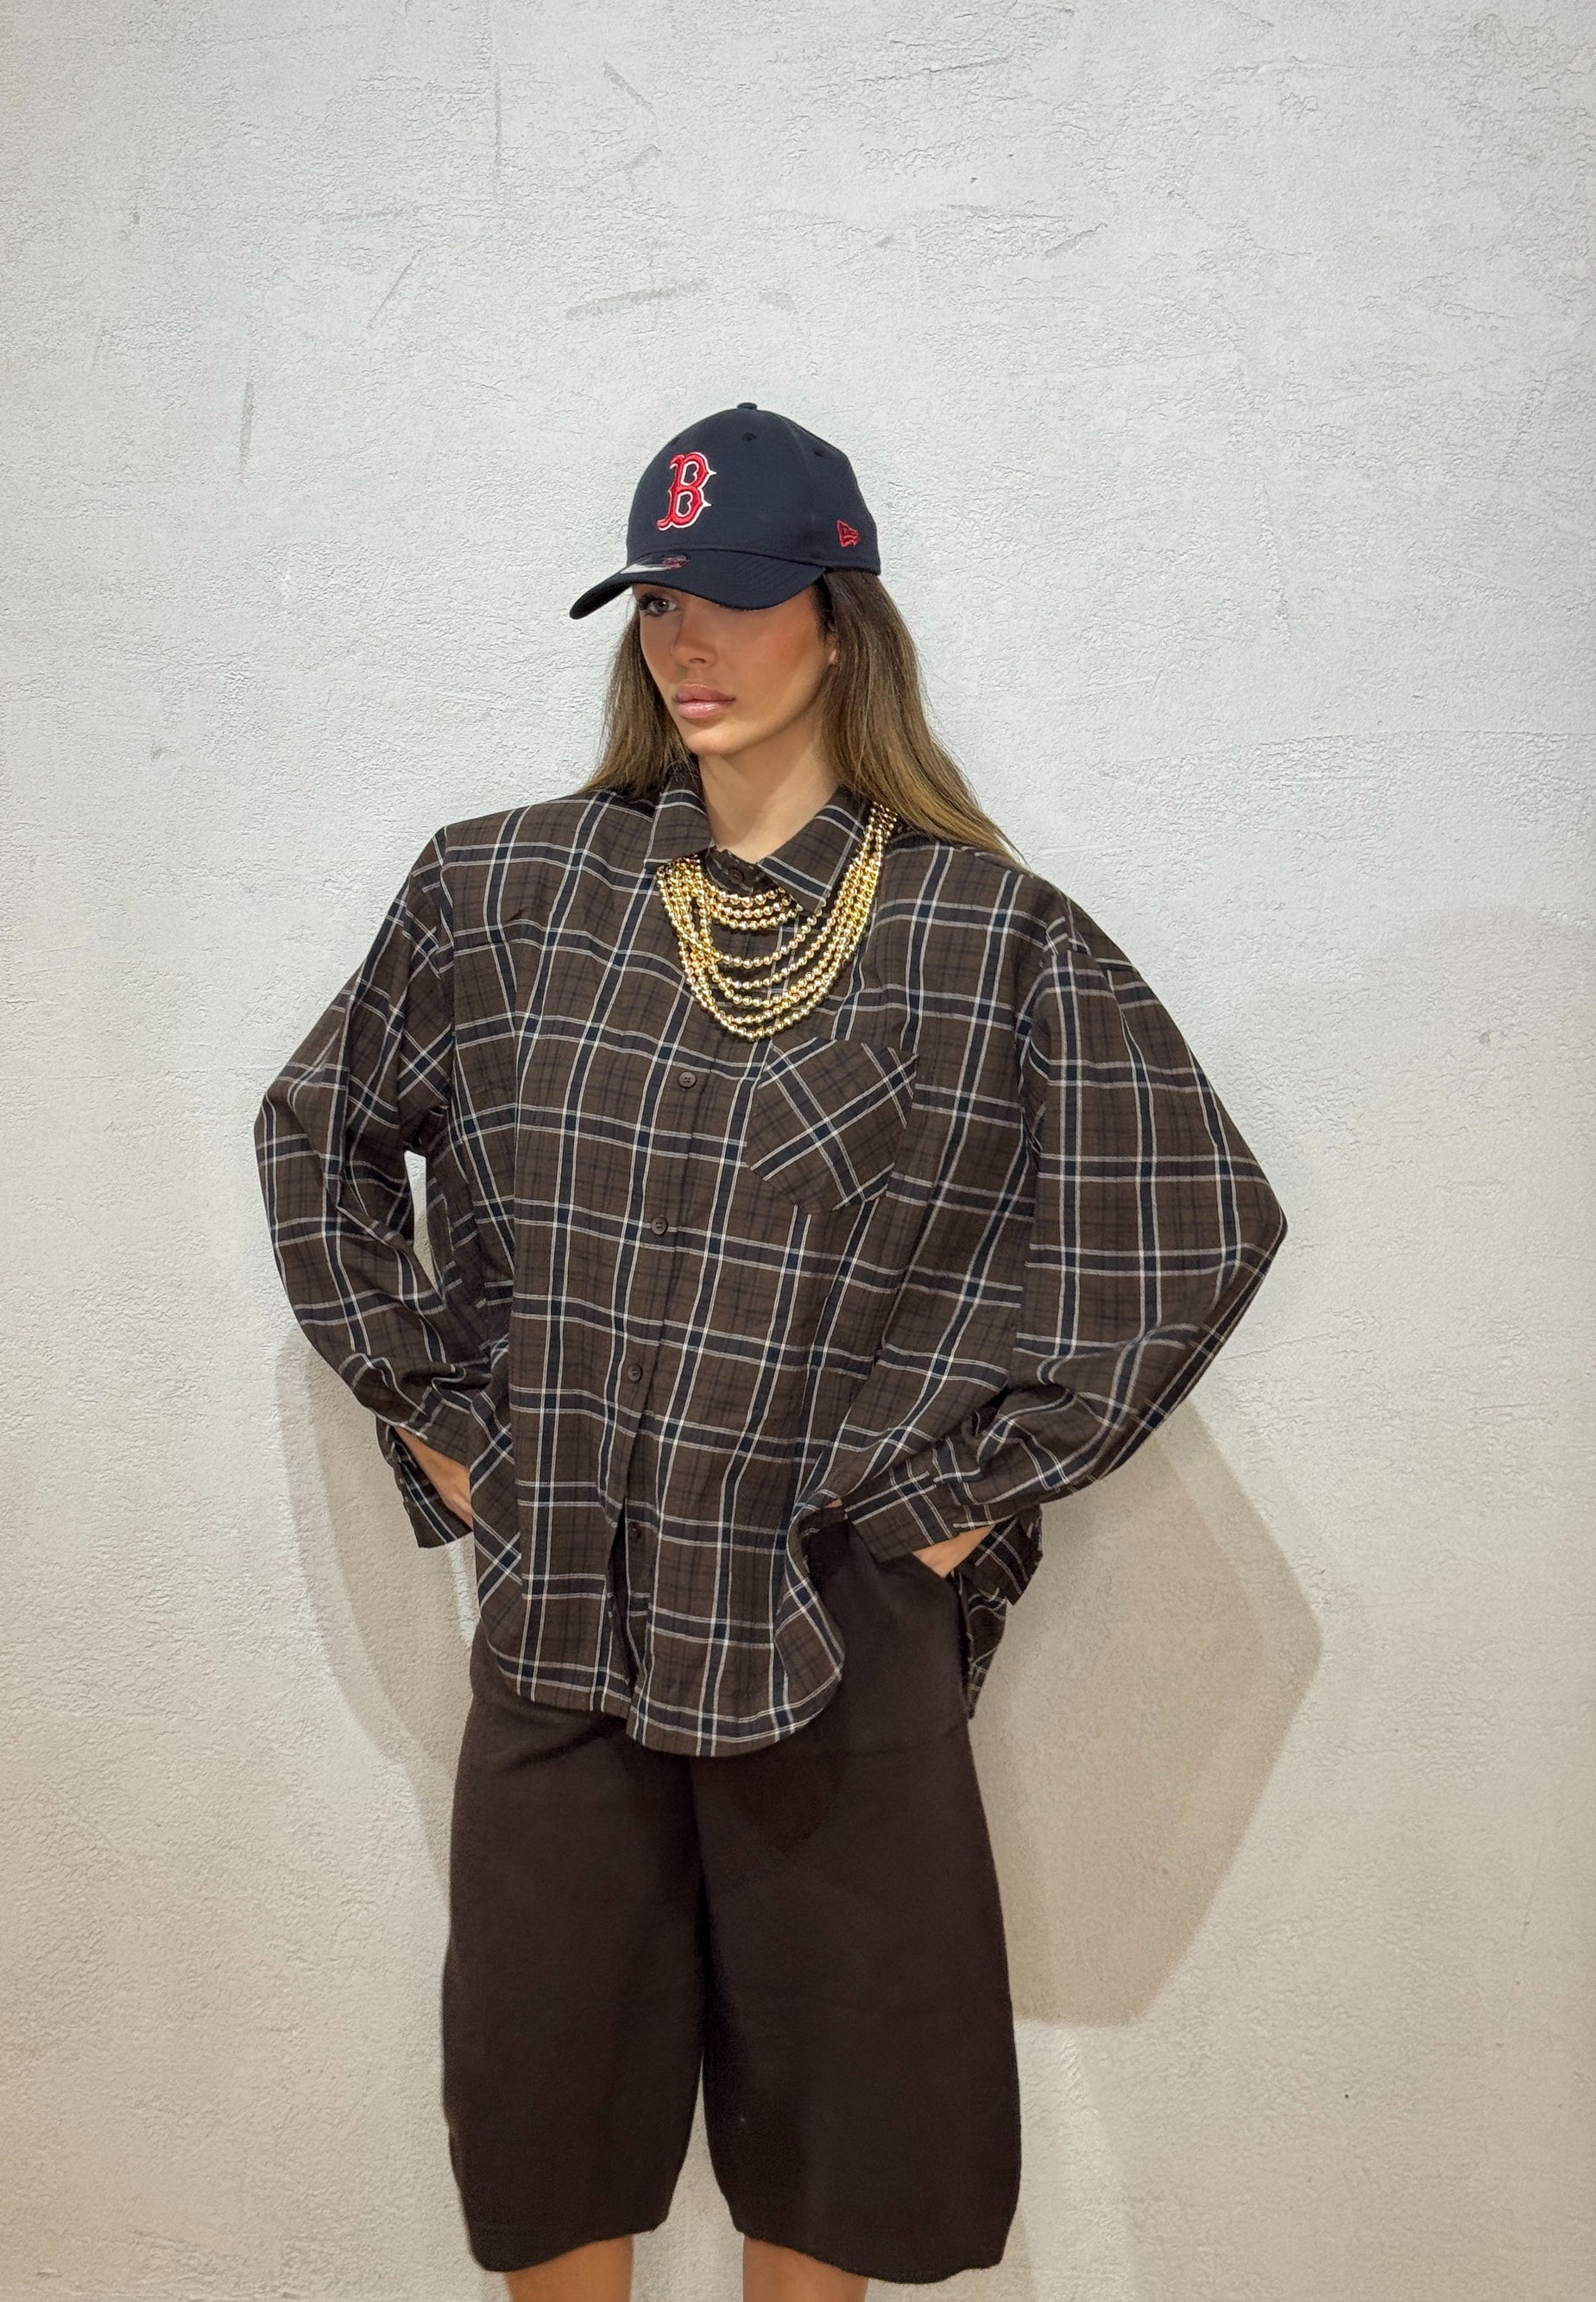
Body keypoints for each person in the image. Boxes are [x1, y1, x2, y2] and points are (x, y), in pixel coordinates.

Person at [253, 401, 1289, 2300]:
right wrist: (440, 1416)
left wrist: (957, 1500)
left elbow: (1191, 1223)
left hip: (829, 1623)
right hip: (568, 1608)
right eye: (657, 600)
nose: (686, 642)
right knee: (548, 2117)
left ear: (838, 612)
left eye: (730, 597)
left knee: (843, 2142)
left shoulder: (984, 935)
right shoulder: (503, 891)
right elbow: (318, 1136)